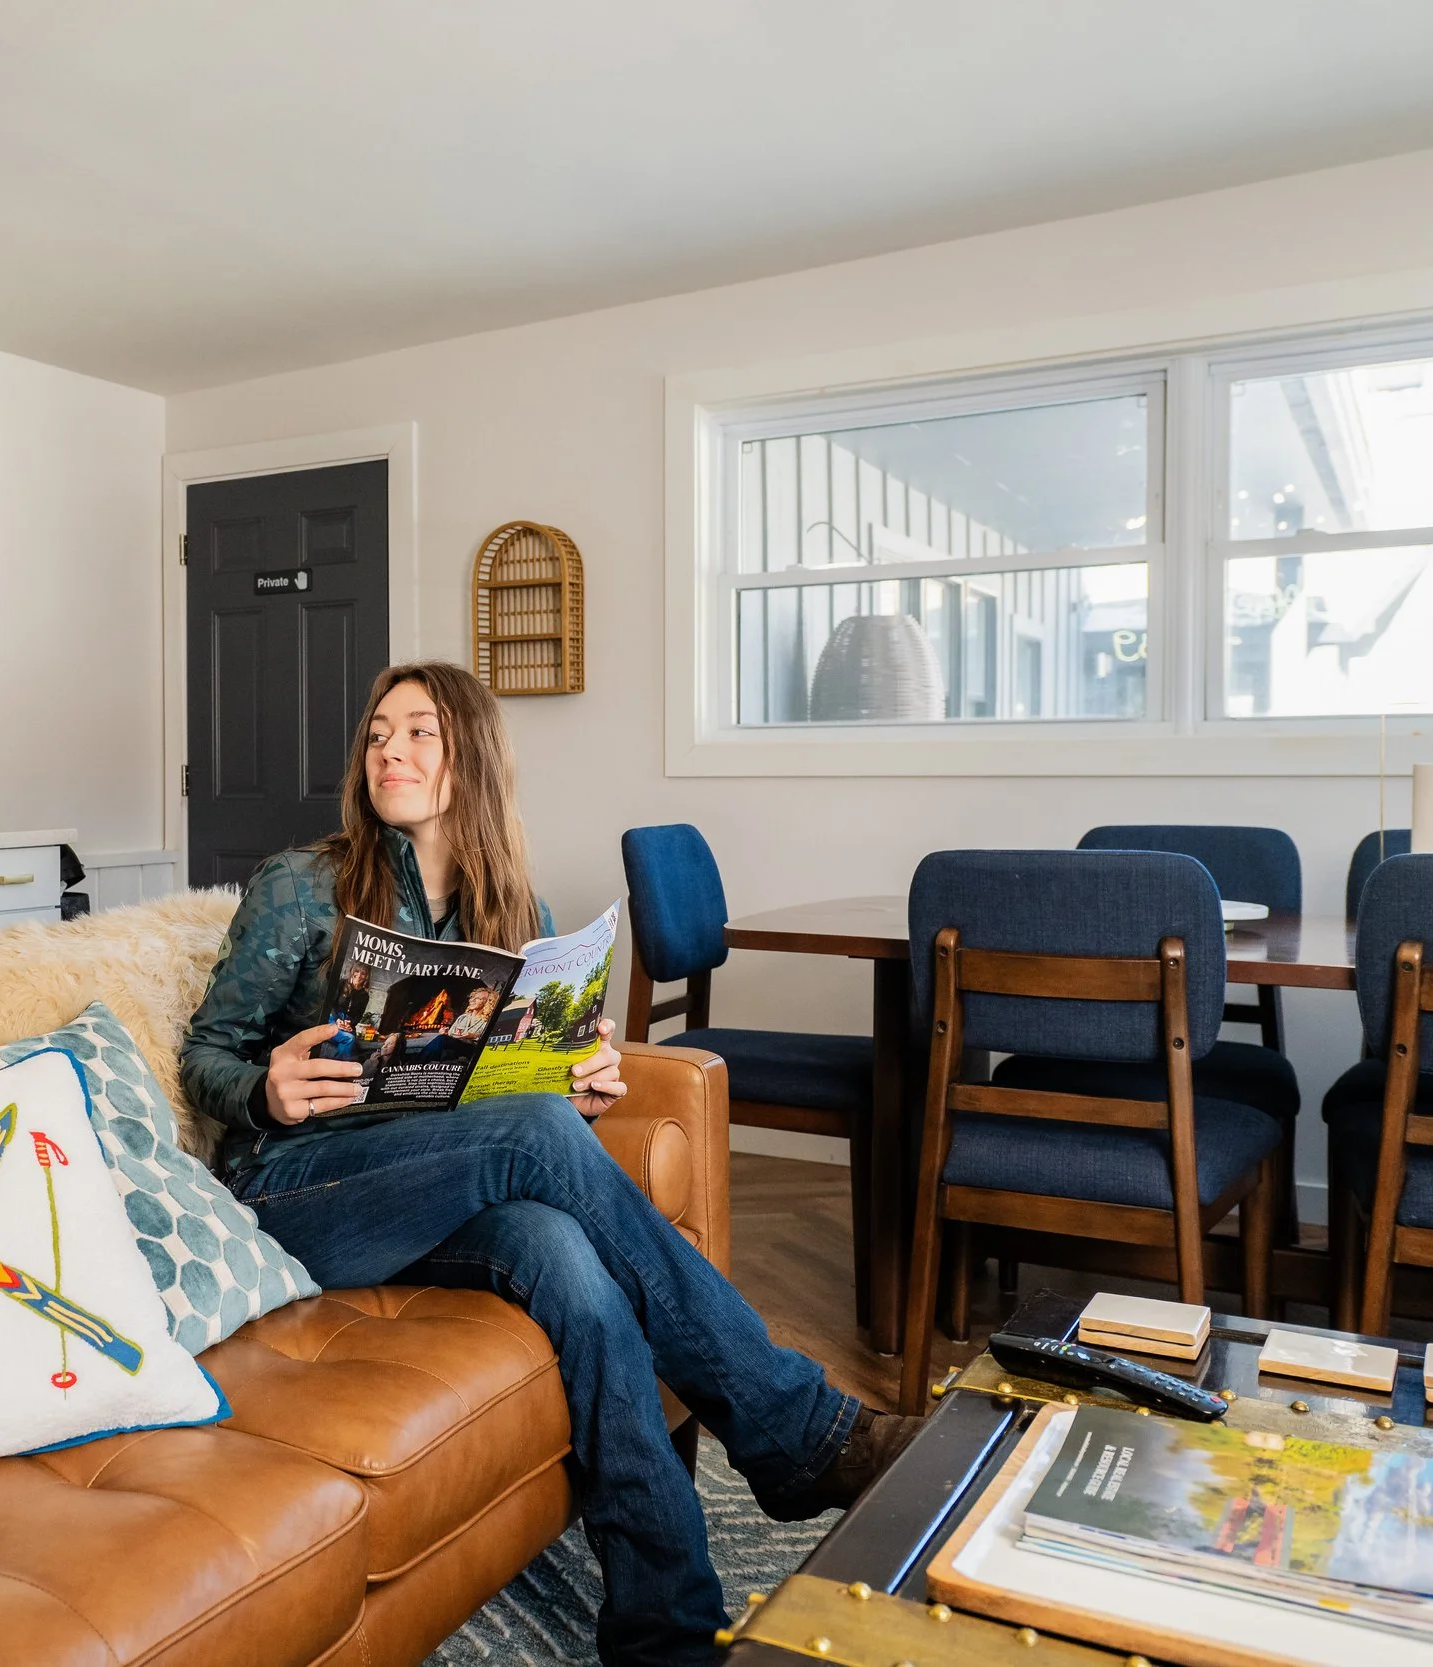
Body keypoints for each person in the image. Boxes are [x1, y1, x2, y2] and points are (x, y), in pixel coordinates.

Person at [181, 661, 918, 1666]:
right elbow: (206, 1053)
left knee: (562, 1252)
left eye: (420, 732)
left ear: (472, 755)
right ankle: (793, 1427)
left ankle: (664, 1627)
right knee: (532, 1135)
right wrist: (261, 1083)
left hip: (431, 1179)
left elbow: (494, 1086)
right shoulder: (301, 885)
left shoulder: (507, 901)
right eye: (377, 734)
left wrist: (577, 1083)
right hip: (294, 1187)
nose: (389, 749)